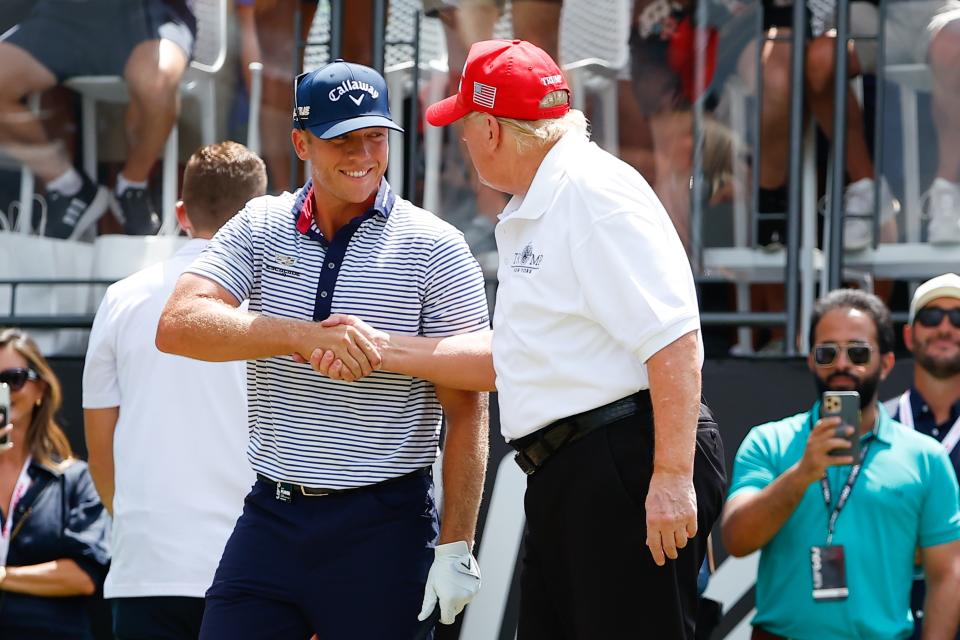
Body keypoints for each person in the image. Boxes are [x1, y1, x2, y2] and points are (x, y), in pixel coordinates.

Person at [318, 38, 728, 639]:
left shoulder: (590, 192)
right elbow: (509, 358)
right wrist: (379, 347)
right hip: (581, 467)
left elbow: (674, 341)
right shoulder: (552, 196)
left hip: (624, 460)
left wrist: (669, 476)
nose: (460, 139)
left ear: (491, 129)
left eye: (464, 123)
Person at [154, 60, 490, 639]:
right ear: (301, 143)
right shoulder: (260, 223)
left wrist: (457, 543)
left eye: (375, 136)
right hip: (273, 516)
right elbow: (178, 324)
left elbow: (475, 390)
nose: (363, 154)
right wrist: (303, 336)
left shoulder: (434, 243)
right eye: (343, 138)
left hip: (385, 527)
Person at [82, 141, 267, 640]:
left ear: (181, 213)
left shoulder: (120, 299)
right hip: (256, 567)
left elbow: (99, 445)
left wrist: (134, 523)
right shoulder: (282, 304)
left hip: (147, 567)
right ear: (258, 215)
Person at [722, 288, 960, 639]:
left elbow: (946, 574)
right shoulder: (768, 441)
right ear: (811, 360)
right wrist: (802, 474)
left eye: (858, 352)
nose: (842, 364)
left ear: (887, 364)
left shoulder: (926, 457)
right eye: (827, 352)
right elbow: (736, 539)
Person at [0, 0, 196, 239]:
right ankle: (68, 188)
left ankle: (132, 188)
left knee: (157, 84)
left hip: (151, 16)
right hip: (61, 17)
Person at [0, 328, 111, 640]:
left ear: (41, 390)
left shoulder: (74, 479)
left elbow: (83, 576)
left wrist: (4, 576)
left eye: (14, 378)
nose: (3, 391)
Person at [883, 272, 960, 639]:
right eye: (931, 317)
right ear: (910, 336)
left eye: (958, 318)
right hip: (882, 619)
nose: (945, 327)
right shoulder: (873, 425)